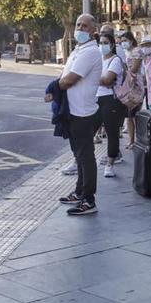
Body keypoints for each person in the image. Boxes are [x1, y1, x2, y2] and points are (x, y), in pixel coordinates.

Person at [48, 14, 103, 216]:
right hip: (73, 111)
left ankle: (89, 200)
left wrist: (53, 88)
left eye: (85, 26)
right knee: (78, 155)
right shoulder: (78, 50)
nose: (80, 28)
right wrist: (58, 84)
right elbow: (64, 76)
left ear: (92, 30)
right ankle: (79, 191)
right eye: (78, 24)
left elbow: (68, 80)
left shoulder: (90, 52)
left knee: (86, 156)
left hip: (82, 112)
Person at [95, 31, 127, 178]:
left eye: (105, 43)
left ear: (112, 44)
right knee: (88, 132)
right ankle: (79, 162)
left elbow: (107, 80)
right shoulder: (97, 60)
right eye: (100, 43)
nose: (102, 46)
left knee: (111, 133)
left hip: (111, 99)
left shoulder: (115, 60)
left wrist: (96, 78)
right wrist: (101, 79)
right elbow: (103, 79)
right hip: (95, 99)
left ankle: (110, 164)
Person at [118, 31, 144, 150]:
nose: (123, 43)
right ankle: (131, 140)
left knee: (134, 114)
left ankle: (137, 140)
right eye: (122, 41)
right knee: (128, 115)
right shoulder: (127, 52)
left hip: (135, 86)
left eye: (125, 40)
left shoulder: (136, 51)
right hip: (128, 85)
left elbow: (134, 69)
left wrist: (124, 71)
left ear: (131, 40)